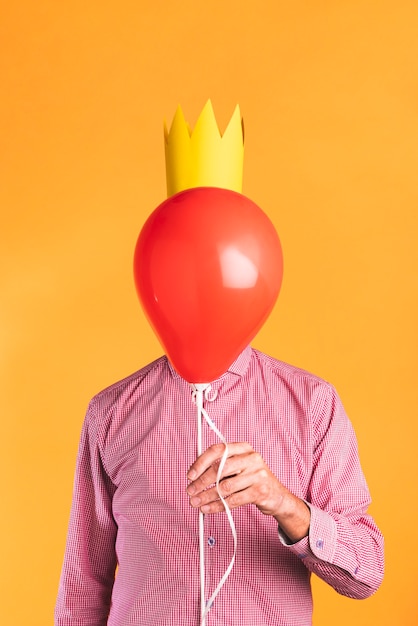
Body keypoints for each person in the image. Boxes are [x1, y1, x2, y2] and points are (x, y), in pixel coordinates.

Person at [54, 345, 384, 626]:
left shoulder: (312, 404)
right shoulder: (110, 413)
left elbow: (366, 574)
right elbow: (83, 586)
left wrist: (284, 504)